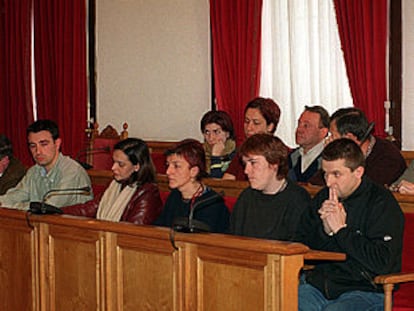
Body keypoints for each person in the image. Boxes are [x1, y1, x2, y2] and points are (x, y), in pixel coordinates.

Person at [296, 138, 404, 311]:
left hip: (366, 289)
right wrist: (325, 231)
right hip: (321, 285)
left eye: (336, 174)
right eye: (325, 173)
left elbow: (383, 263)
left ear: (358, 172)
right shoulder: (323, 197)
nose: (329, 182)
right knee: (281, 302)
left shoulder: (381, 203)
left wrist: (341, 231)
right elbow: (301, 245)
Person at [229, 134, 311, 241]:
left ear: (274, 164)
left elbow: (296, 247)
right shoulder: (246, 197)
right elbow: (233, 239)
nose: (246, 171)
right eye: (245, 164)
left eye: (253, 163)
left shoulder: (297, 199)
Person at [62, 138, 163, 224]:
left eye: (121, 164)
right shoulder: (116, 184)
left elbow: (134, 230)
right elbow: (90, 208)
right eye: (114, 162)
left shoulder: (148, 193)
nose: (113, 168)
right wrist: (57, 211)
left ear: (136, 166)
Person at [0, 119, 92, 210]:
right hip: (41, 223)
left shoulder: (72, 171)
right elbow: (14, 196)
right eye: (33, 146)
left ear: (57, 144)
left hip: (71, 223)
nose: (38, 151)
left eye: (43, 144)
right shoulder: (34, 171)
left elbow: (48, 207)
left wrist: (14, 206)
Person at [309, 107, 406, 186]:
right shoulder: (347, 153)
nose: (328, 140)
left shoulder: (387, 157)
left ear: (349, 138)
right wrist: (331, 156)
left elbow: (361, 190)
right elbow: (315, 183)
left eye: (333, 135)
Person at [153, 139, 229, 233]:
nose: (168, 172)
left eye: (176, 166)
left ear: (194, 171)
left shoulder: (211, 203)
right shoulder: (175, 196)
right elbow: (160, 228)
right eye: (168, 165)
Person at [222, 97, 281, 181]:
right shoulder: (242, 151)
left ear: (270, 126)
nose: (249, 128)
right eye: (246, 121)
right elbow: (226, 183)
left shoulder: (280, 153)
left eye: (256, 123)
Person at [288, 106, 330, 183]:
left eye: (306, 126)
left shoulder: (330, 160)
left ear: (323, 132)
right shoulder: (289, 157)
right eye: (299, 124)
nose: (299, 130)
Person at [200, 110, 236, 178]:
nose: (211, 138)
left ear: (227, 133)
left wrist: (216, 157)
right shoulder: (199, 154)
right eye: (207, 132)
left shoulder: (236, 156)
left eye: (216, 132)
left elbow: (218, 184)